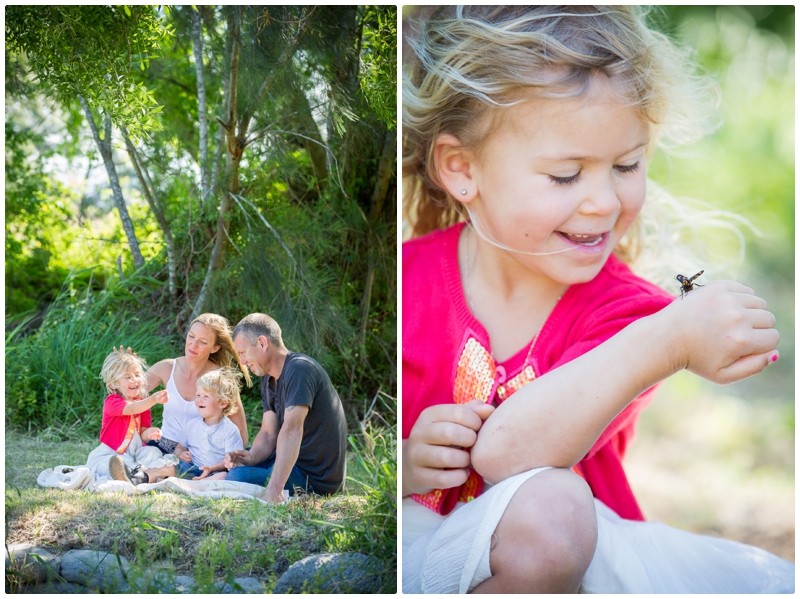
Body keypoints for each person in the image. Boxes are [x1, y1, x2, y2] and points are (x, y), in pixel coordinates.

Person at [402, 6, 792, 594]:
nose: (605, 202)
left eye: (626, 165)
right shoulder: (407, 281)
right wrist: (404, 464)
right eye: (566, 175)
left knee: (552, 509)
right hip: (421, 547)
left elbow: (508, 454)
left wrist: (670, 339)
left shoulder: (637, 320)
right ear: (462, 169)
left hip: (565, 563)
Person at [223, 313, 347, 504]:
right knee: (235, 468)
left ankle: (274, 483)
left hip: (315, 480)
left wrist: (274, 489)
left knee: (236, 478)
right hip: (292, 461)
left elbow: (292, 429)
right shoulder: (268, 378)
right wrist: (252, 457)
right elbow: (268, 433)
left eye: (243, 353)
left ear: (263, 343)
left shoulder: (299, 369)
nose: (243, 362)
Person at [141, 313, 252, 458]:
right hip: (166, 445)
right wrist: (122, 365)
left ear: (215, 348)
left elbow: (240, 431)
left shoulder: (222, 379)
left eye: (203, 342)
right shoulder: (166, 368)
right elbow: (127, 394)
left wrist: (228, 463)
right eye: (191, 336)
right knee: (147, 457)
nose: (193, 345)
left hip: (203, 453)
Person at [110, 368, 244, 485]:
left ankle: (202, 483)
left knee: (225, 476)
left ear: (222, 403)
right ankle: (136, 477)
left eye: (206, 396)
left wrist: (212, 468)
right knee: (168, 466)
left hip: (215, 471)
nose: (199, 400)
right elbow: (179, 447)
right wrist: (181, 454)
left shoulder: (230, 430)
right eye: (198, 395)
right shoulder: (192, 426)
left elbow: (231, 461)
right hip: (190, 467)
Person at [85, 351, 170, 479]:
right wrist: (152, 400)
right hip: (112, 453)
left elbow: (142, 435)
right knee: (107, 464)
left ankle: (135, 474)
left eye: (137, 375)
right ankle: (131, 473)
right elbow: (131, 409)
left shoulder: (143, 405)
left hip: (135, 454)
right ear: (113, 384)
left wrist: (151, 433)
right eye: (127, 377)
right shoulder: (112, 401)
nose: (134, 380)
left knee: (153, 452)